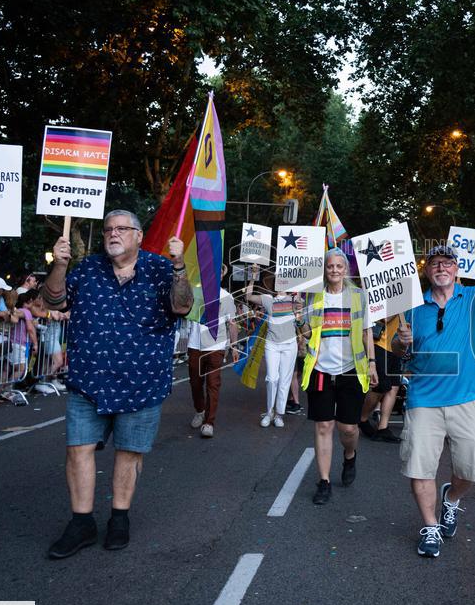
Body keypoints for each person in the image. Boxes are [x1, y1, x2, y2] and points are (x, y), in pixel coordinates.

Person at [42, 210, 193, 559]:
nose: (113, 234)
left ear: (138, 236)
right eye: (108, 229)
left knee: (129, 453)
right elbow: (53, 301)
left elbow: (182, 306)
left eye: (121, 229)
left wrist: (180, 265)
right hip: (88, 380)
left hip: (142, 382)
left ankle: (119, 517)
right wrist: (60, 265)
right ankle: (81, 523)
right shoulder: (87, 269)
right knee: (77, 449)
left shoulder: (160, 268)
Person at [392, 243, 475, 558]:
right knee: (420, 467)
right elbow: (399, 349)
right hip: (423, 398)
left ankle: (451, 499)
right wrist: (400, 341)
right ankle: (431, 527)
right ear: (427, 270)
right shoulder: (411, 305)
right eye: (435, 263)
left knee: (471, 465)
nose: (441, 268)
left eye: (447, 263)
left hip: (466, 397)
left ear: (457, 269)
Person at [299, 248, 377, 504]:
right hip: (320, 370)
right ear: (325, 269)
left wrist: (373, 363)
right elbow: (308, 334)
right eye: (330, 266)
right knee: (323, 426)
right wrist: (299, 320)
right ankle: (324, 482)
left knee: (348, 428)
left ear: (346, 270)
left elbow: (366, 332)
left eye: (339, 266)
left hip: (351, 370)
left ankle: (350, 455)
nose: (334, 270)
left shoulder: (358, 296)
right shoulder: (313, 296)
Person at [187, 265, 240, 438]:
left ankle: (209, 422)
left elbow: (232, 323)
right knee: (195, 382)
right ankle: (200, 410)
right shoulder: (194, 292)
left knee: (213, 383)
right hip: (195, 344)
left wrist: (234, 345)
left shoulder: (226, 297)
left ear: (221, 275)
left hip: (216, 346)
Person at [245, 266, 300, 428]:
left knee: (284, 380)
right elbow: (248, 296)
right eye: (278, 280)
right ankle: (269, 412)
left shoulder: (295, 301)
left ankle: (279, 415)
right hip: (272, 344)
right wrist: (254, 277)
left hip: (290, 345)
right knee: (271, 378)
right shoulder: (267, 299)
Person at [359, 316, 403, 443]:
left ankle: (383, 428)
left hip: (395, 345)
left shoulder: (403, 297)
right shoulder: (395, 296)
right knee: (380, 387)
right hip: (379, 344)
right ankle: (362, 418)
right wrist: (399, 302)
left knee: (394, 387)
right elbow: (385, 318)